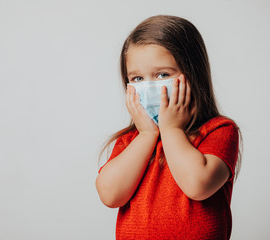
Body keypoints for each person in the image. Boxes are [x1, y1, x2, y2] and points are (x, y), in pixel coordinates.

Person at [95, 15, 242, 240]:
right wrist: (146, 135)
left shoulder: (219, 130)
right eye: (137, 78)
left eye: (163, 74)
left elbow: (197, 185)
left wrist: (172, 130)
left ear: (193, 75)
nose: (149, 86)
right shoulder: (130, 141)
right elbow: (109, 195)